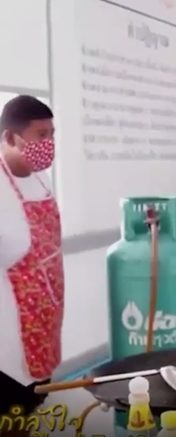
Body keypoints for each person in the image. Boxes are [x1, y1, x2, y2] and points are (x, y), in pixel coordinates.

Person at [0, 95, 62, 421]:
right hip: (6, 338)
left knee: (33, 409)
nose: (48, 143)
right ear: (9, 138)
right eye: (41, 135)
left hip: (44, 325)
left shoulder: (41, 181)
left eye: (51, 134)